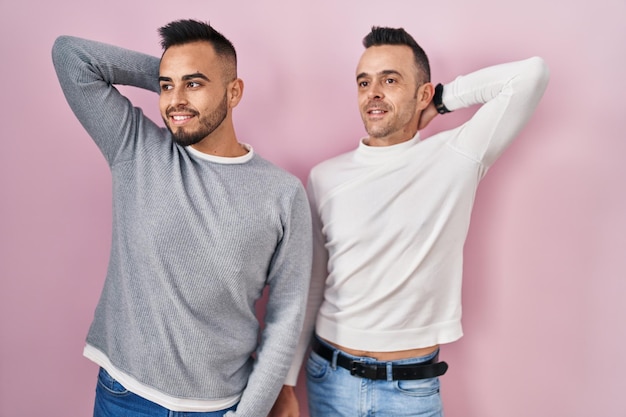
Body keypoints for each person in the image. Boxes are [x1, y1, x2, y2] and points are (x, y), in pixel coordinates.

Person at [270, 26, 550, 417]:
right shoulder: (324, 177)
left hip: (409, 391)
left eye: (390, 79)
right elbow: (313, 283)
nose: (374, 92)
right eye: (364, 82)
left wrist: (442, 101)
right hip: (328, 379)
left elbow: (532, 75)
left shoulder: (455, 157)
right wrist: (286, 380)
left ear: (422, 92)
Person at [52, 19, 312, 417]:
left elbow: (287, 315)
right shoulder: (135, 148)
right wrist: (168, 75)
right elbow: (71, 55)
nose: (174, 100)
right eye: (166, 86)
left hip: (221, 407)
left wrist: (249, 414)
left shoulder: (282, 192)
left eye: (193, 84)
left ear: (234, 91)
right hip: (124, 397)